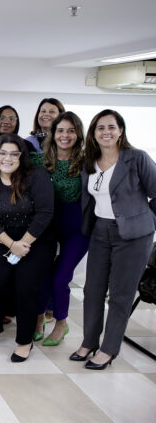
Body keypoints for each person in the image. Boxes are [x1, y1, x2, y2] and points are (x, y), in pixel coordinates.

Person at [71, 109, 156, 370]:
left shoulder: (136, 158)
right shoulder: (89, 161)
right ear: (93, 133)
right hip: (100, 231)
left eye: (111, 127)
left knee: (120, 294)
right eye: (100, 128)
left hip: (133, 236)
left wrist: (146, 221)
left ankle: (109, 349)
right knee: (92, 290)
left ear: (121, 131)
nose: (106, 132)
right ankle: (89, 341)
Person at [0, 134, 55, 362]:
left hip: (36, 239)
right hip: (5, 239)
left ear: (22, 156)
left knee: (25, 288)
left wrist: (23, 244)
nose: (7, 158)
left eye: (14, 153)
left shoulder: (36, 176)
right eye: (2, 153)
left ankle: (24, 341)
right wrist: (12, 245)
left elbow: (45, 213)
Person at [31, 112, 89, 346]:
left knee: (60, 278)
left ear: (78, 134)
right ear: (53, 134)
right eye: (61, 130)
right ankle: (38, 319)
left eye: (71, 131)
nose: (65, 135)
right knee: (41, 275)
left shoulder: (88, 161)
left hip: (77, 230)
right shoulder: (38, 160)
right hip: (46, 228)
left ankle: (61, 323)